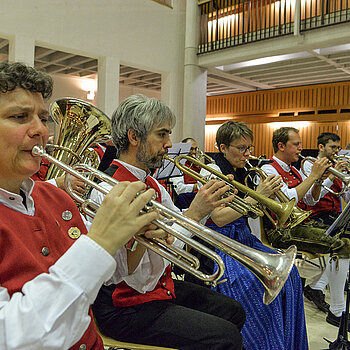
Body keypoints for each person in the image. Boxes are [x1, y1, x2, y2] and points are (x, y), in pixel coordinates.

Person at [0, 62, 162, 349]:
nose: (41, 130)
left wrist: (133, 238)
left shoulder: (56, 199)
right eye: (20, 116)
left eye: (43, 117)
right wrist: (100, 242)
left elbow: (109, 277)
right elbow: (13, 337)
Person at [90, 94, 246, 350]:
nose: (169, 143)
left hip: (155, 289)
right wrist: (193, 215)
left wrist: (204, 207)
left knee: (233, 311)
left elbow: (176, 233)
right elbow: (127, 274)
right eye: (161, 135)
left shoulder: (153, 185)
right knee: (226, 337)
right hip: (124, 306)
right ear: (134, 137)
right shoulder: (108, 188)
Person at [198, 121, 309, 350]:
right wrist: (257, 196)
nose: (248, 154)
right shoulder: (212, 171)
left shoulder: (245, 170)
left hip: (244, 236)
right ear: (222, 148)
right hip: (221, 240)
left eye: (250, 147)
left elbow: (254, 212)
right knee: (255, 285)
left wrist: (266, 197)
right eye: (241, 148)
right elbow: (218, 217)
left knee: (291, 275)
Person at [260, 127, 350, 256]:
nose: (301, 148)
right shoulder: (268, 169)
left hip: (301, 224)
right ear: (281, 146)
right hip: (281, 231)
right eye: (296, 144)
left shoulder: (294, 170)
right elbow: (288, 199)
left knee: (342, 234)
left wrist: (318, 182)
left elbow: (311, 200)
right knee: (343, 244)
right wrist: (313, 176)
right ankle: (329, 277)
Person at [301, 132, 350, 328]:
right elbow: (312, 198)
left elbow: (346, 198)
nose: (337, 152)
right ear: (321, 148)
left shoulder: (339, 167)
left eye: (338, 148)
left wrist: (346, 179)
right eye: (333, 148)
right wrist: (330, 175)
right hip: (315, 217)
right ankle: (336, 309)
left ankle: (317, 286)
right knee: (344, 246)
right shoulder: (309, 164)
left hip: (335, 216)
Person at [171, 137, 200, 209]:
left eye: (195, 149)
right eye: (191, 149)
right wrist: (197, 186)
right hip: (186, 201)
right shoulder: (178, 165)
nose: (194, 152)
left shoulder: (197, 164)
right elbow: (180, 189)